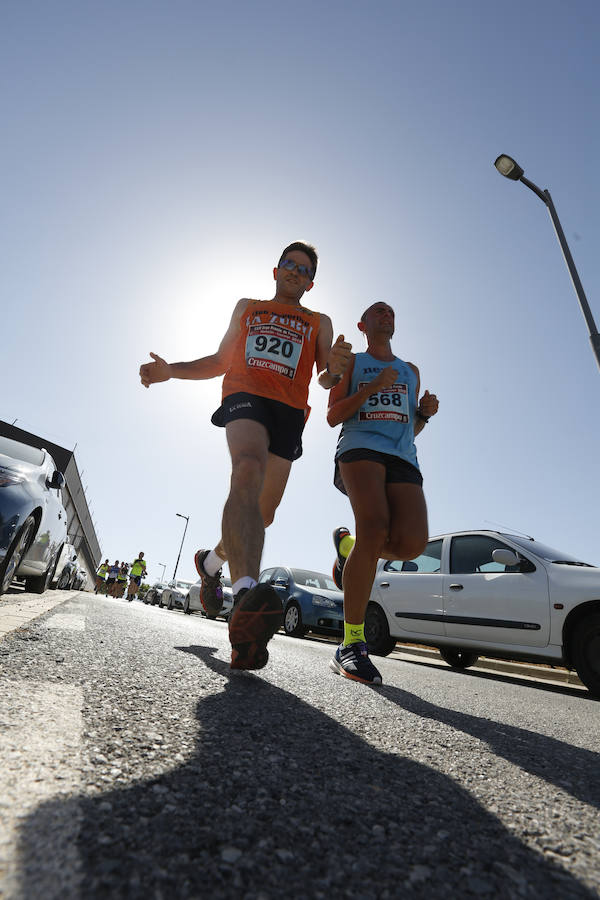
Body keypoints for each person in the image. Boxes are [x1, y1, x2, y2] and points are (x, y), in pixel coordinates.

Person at [139, 241, 352, 670]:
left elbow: (325, 377)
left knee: (262, 514)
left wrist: (336, 368)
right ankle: (245, 602)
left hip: (289, 411)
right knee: (247, 470)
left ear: (311, 283)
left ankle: (211, 562)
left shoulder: (319, 321)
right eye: (289, 264)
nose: (295, 272)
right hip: (244, 395)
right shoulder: (248, 307)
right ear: (275, 270)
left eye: (304, 269)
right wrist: (171, 371)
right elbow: (221, 360)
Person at [326, 301, 439, 685]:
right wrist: (373, 387)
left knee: (411, 545)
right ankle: (351, 643)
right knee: (374, 528)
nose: (386, 315)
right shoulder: (354, 362)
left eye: (390, 311)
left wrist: (423, 415)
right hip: (360, 447)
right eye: (377, 311)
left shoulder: (411, 372)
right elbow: (333, 415)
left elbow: (409, 430)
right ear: (363, 325)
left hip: (403, 456)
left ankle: (349, 548)